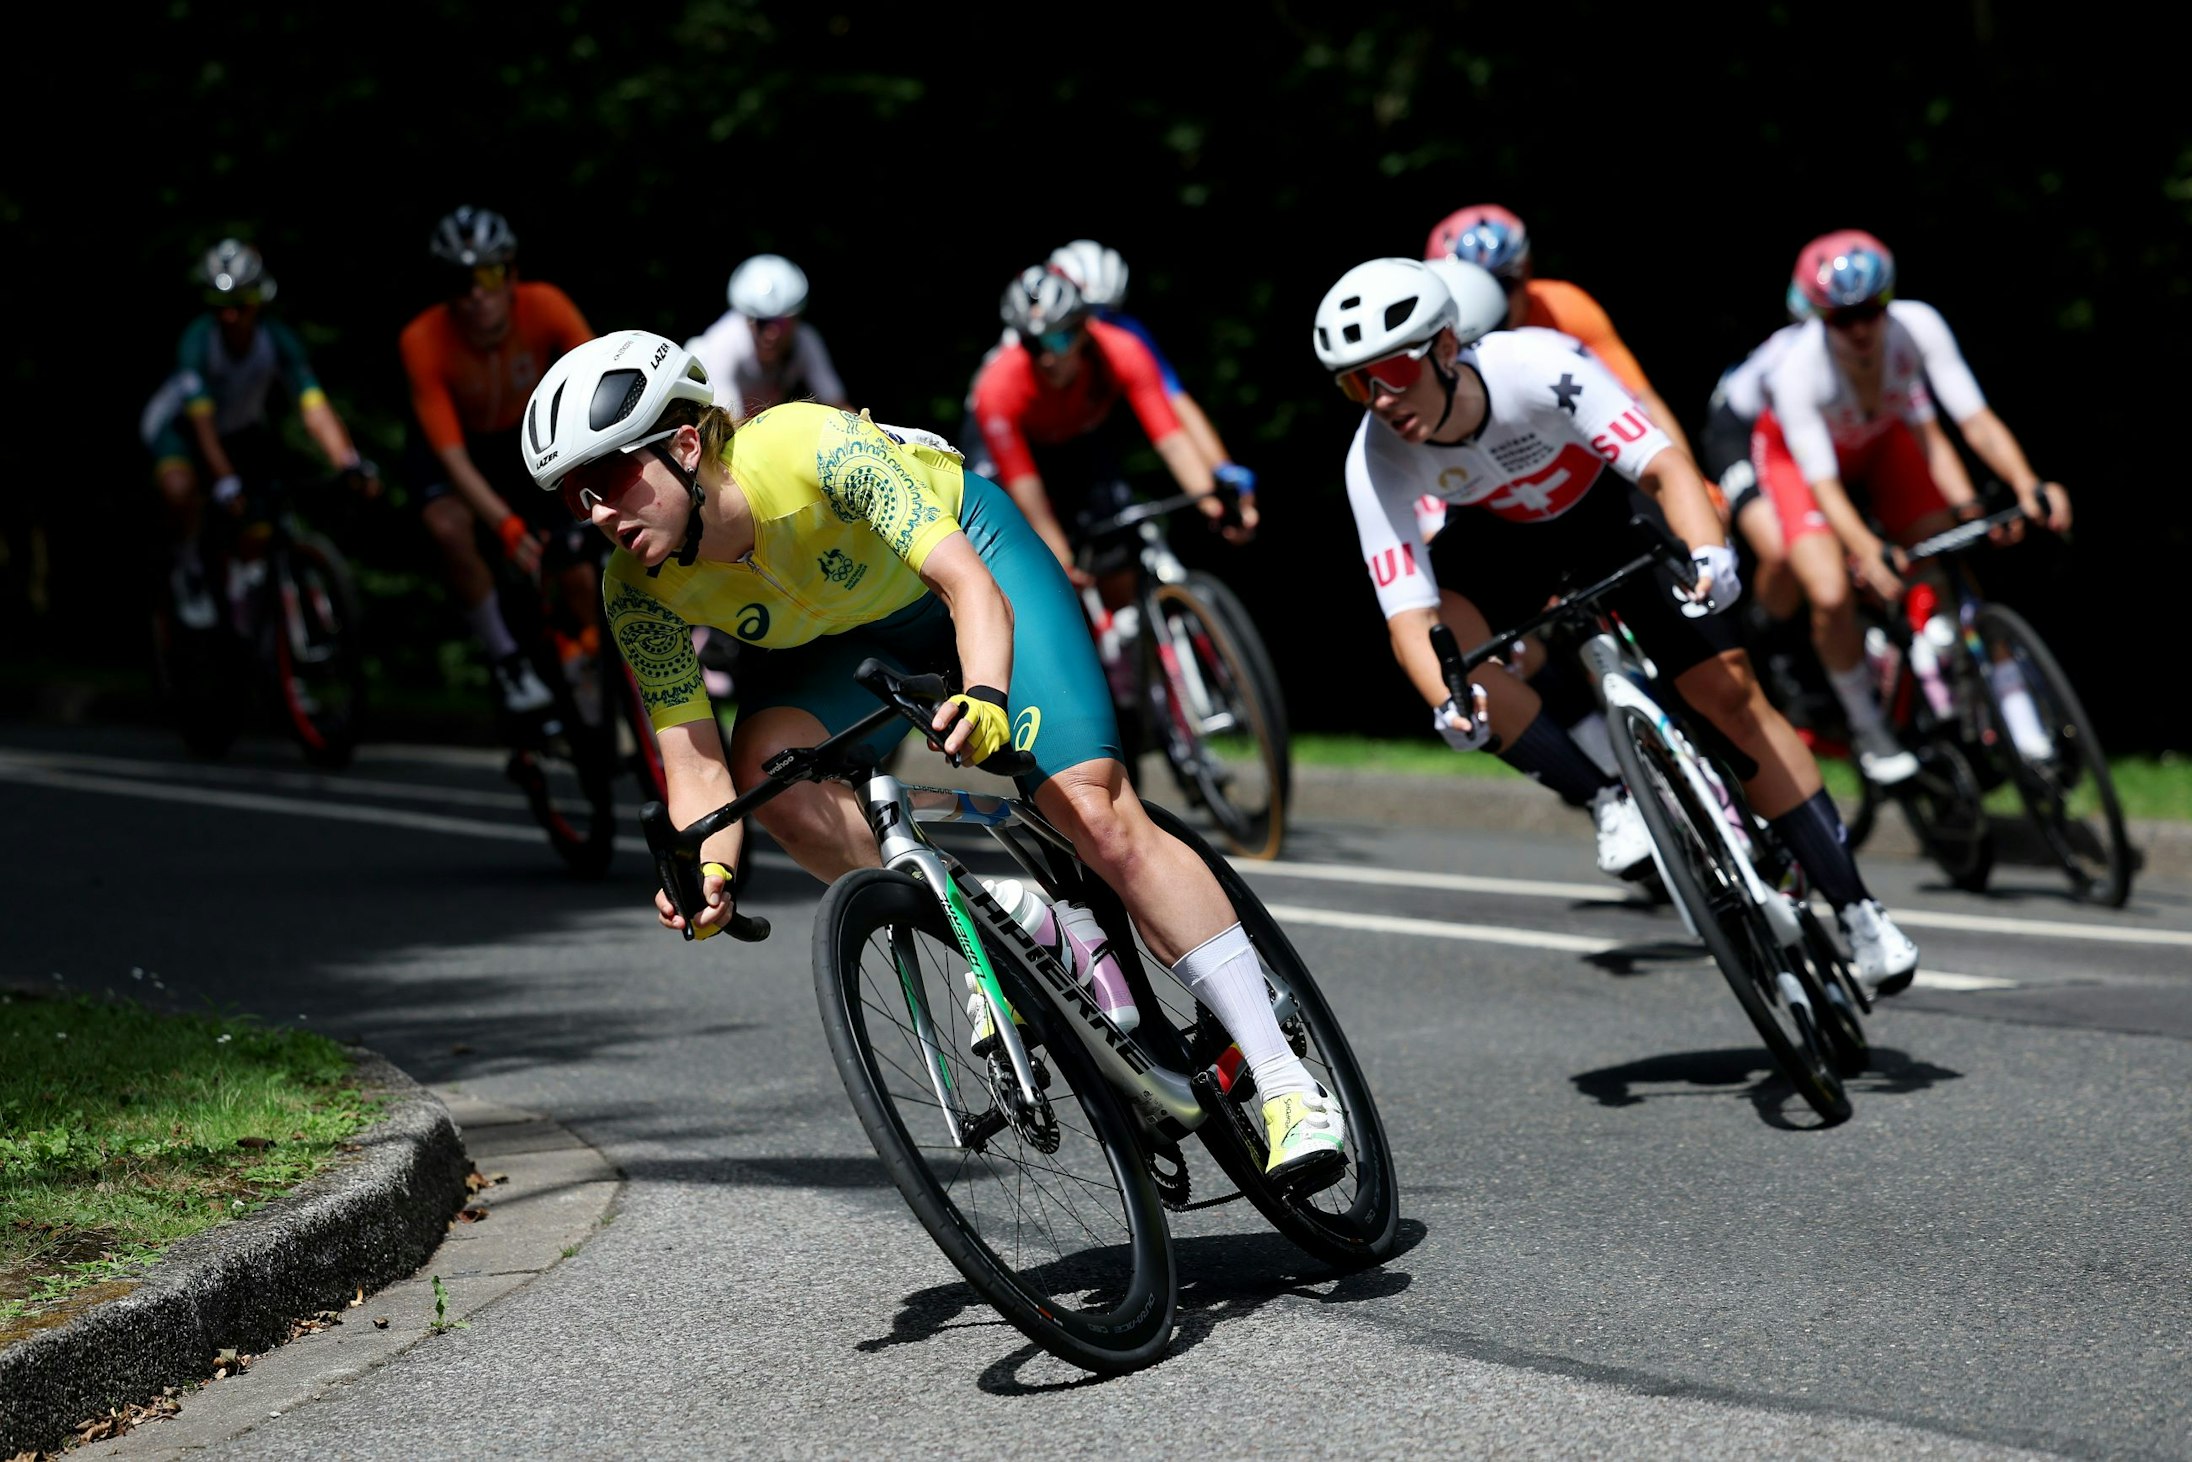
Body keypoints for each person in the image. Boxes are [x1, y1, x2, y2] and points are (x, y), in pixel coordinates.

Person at [520, 330, 1346, 1180]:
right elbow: (697, 772)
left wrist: (986, 694)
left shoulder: (810, 444)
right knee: (773, 780)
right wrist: (711, 876)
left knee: (1094, 813)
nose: (599, 515)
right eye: (575, 498)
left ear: (686, 444)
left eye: (612, 480)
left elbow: (967, 588)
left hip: (970, 569)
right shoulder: (636, 592)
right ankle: (1007, 913)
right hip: (839, 642)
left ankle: (1288, 1085)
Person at [1315, 256, 1919, 994]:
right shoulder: (1374, 459)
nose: (1379, 399)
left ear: (1445, 347)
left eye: (1393, 372)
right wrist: (1448, 701)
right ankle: (1608, 799)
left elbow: (1661, 466)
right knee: (1452, 659)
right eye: (1355, 383)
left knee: (1730, 699)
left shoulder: (1535, 365)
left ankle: (1858, 910)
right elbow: (1407, 611)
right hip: (1504, 545)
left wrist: (1708, 549)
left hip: (1609, 515)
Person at [1749, 229, 2071, 782]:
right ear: (1819, 318)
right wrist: (1869, 551)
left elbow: (1968, 421)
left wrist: (2026, 484)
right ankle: (1868, 730)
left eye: (1871, 311)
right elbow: (1823, 486)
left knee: (1947, 557)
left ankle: (2020, 726)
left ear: (1887, 301)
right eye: (1840, 318)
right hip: (1799, 463)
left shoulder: (1916, 327)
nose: (1859, 329)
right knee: (1829, 591)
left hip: (1877, 442)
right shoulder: (1799, 370)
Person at [398, 206, 595, 718]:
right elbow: (454, 459)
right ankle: (505, 656)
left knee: (577, 566)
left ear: (510, 274)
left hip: (522, 434)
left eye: (488, 275)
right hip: (455, 451)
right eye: (461, 282)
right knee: (448, 527)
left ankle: (593, 657)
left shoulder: (546, 305)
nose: (477, 294)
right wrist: (504, 525)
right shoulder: (422, 340)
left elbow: (599, 384)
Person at [968, 265, 1254, 588]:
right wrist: (1058, 553)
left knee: (1118, 551)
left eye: (1059, 338)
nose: (1047, 358)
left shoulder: (1122, 350)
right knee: (1037, 557)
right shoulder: (996, 388)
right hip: (1017, 456)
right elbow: (1024, 484)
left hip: (1079, 439)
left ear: (1084, 329)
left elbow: (1172, 440)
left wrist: (1212, 503)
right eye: (1034, 345)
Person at [142, 239, 375, 627]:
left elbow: (314, 407)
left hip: (239, 430)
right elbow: (202, 426)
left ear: (258, 300)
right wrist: (226, 481)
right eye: (220, 306)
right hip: (179, 430)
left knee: (262, 516)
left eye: (240, 304)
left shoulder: (276, 340)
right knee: (182, 490)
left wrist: (348, 461)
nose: (230, 316)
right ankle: (187, 569)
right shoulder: (197, 343)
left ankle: (245, 599)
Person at [1043, 239, 1259, 508]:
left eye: (1105, 314)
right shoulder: (1023, 349)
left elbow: (1174, 402)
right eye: (1080, 318)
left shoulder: (1125, 338)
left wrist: (1223, 472)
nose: (1095, 329)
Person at [685, 253, 853, 420]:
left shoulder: (805, 341)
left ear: (796, 320)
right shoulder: (722, 342)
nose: (771, 334)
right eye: (761, 322)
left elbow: (838, 405)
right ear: (746, 318)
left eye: (782, 323)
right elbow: (729, 423)